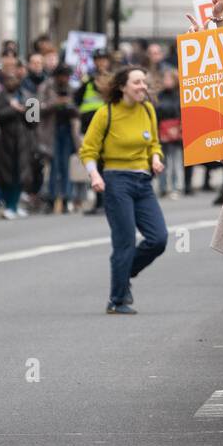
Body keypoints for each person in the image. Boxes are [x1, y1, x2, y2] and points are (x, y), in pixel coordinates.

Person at [80, 66, 168, 315]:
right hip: (116, 181)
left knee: (158, 239)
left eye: (144, 82)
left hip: (143, 182)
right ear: (122, 87)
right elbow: (88, 149)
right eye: (137, 82)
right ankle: (117, 300)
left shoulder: (147, 109)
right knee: (125, 242)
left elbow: (153, 143)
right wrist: (94, 175)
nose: (143, 87)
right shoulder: (105, 113)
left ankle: (125, 272)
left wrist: (155, 158)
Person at [0, 66, 35, 220]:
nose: (11, 82)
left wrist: (25, 110)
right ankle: (9, 205)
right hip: (4, 142)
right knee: (6, 175)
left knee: (20, 175)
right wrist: (13, 109)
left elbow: (33, 121)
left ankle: (14, 205)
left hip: (23, 142)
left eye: (14, 78)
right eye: (8, 79)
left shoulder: (28, 95)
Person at [39, 64, 82, 213]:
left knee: (66, 165)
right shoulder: (45, 87)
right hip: (51, 130)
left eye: (67, 76)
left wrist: (70, 105)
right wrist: (55, 103)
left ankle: (66, 198)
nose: (65, 79)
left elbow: (79, 110)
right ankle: (51, 198)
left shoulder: (72, 88)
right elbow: (34, 109)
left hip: (68, 131)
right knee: (54, 165)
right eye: (62, 76)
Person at [155, 69, 185, 198]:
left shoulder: (179, 95)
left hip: (176, 131)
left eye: (169, 79)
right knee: (163, 160)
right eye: (164, 79)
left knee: (176, 161)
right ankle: (163, 187)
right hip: (162, 131)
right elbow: (156, 111)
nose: (166, 81)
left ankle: (176, 187)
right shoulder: (159, 96)